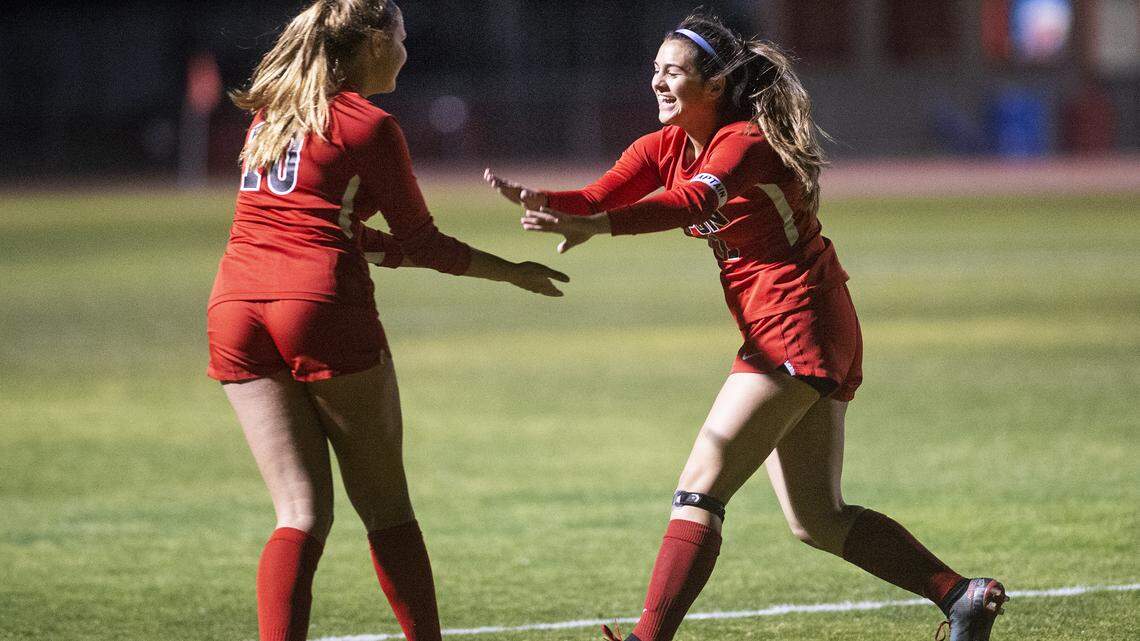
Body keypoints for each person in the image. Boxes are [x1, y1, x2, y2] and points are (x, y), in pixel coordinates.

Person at [486, 12, 1006, 641]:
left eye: (672, 72)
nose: (656, 82)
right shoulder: (669, 145)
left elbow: (693, 201)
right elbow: (602, 195)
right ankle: (960, 597)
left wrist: (597, 226)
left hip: (797, 323)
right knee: (817, 517)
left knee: (700, 486)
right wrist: (546, 201)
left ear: (714, 84)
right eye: (654, 70)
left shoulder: (743, 142)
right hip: (801, 325)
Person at [207, 2, 568, 640]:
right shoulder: (369, 125)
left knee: (298, 513)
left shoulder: (274, 114)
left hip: (235, 307)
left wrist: (389, 254)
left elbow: (328, 228)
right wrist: (510, 271)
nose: (407, 49)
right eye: (401, 37)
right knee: (386, 509)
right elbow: (421, 242)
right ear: (373, 42)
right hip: (318, 307)